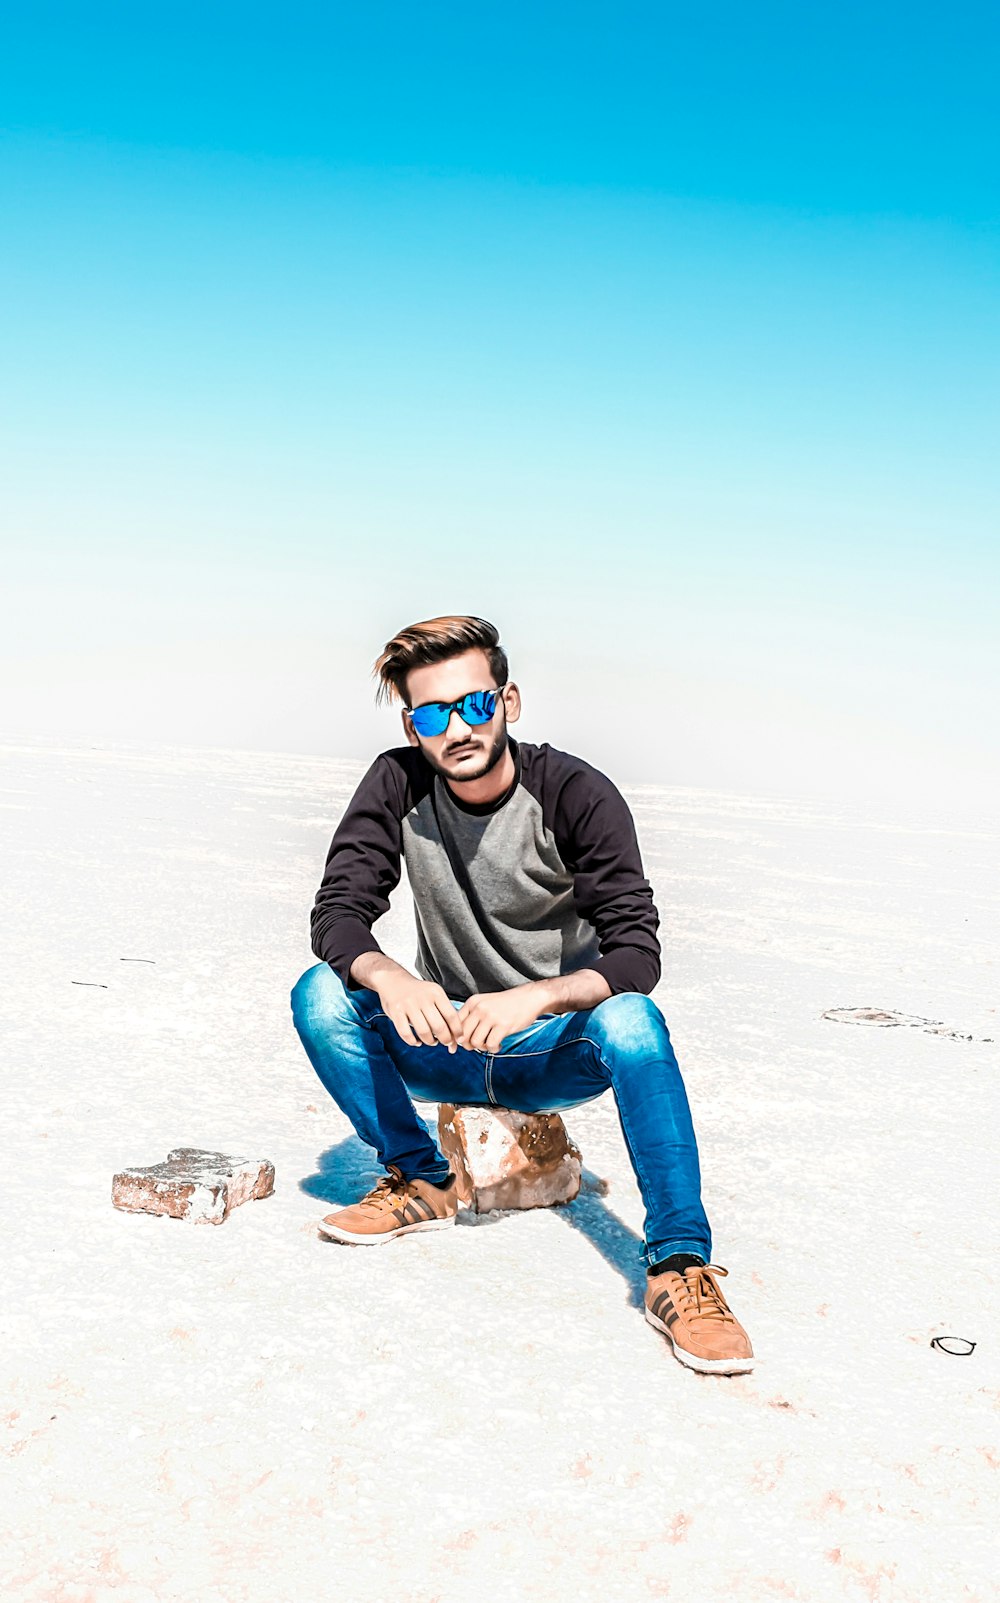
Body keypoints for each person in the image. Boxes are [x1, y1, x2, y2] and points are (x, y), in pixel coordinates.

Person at [290, 615, 754, 1376]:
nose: (458, 728)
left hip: (546, 1049)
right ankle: (424, 1178)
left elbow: (637, 950)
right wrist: (394, 976)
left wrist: (535, 999)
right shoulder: (396, 782)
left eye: (474, 704)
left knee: (634, 1020)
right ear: (413, 724)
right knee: (322, 992)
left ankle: (678, 1265)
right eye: (434, 714)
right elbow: (338, 911)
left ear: (508, 700)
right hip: (440, 1036)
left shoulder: (574, 792)